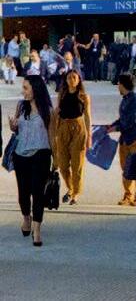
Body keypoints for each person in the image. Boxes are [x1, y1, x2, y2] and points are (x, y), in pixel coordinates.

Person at [9, 74, 56, 247]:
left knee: (38, 193)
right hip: (21, 155)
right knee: (23, 193)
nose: (23, 91)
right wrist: (13, 126)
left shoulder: (48, 110)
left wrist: (56, 158)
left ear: (35, 89)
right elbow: (16, 130)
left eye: (26, 88)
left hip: (41, 154)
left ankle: (37, 230)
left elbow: (52, 135)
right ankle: (26, 218)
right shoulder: (21, 106)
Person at [106, 73, 136, 207]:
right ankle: (128, 195)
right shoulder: (125, 98)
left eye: (119, 84)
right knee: (126, 169)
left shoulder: (135, 99)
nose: (118, 86)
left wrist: (116, 128)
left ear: (123, 85)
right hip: (125, 138)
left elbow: (131, 120)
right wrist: (112, 125)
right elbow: (122, 119)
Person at [54, 69, 92, 205]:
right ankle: (70, 188)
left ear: (79, 80)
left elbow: (87, 116)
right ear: (65, 80)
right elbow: (57, 112)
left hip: (78, 128)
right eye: (69, 77)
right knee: (63, 164)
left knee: (77, 164)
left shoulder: (84, 96)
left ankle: (75, 193)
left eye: (74, 77)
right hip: (63, 128)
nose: (71, 80)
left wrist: (89, 136)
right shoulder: (62, 94)